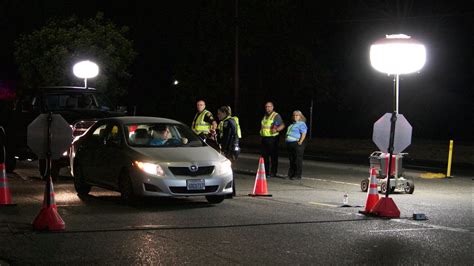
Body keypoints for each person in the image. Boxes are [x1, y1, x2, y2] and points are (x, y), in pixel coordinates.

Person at [216, 106, 240, 196]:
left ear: (224, 113)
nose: (218, 115)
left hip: (230, 149)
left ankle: (230, 192)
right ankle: (231, 192)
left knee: (228, 170)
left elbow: (228, 138)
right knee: (228, 169)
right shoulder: (227, 122)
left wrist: (224, 149)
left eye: (219, 113)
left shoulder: (227, 122)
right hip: (231, 149)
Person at [260, 102, 285, 178]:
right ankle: (266, 172)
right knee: (264, 157)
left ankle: (273, 172)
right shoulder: (265, 116)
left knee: (273, 156)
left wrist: (277, 129)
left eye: (269, 106)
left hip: (273, 139)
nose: (267, 108)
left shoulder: (276, 115)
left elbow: (282, 125)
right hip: (264, 138)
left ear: (272, 107)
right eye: (266, 106)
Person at [285, 110, 307, 180]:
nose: (295, 116)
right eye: (294, 115)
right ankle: (290, 175)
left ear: (300, 117)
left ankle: (297, 175)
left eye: (297, 115)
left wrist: (300, 141)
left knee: (297, 160)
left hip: (297, 143)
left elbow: (304, 133)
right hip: (290, 143)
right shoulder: (292, 124)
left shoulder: (301, 124)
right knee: (291, 160)